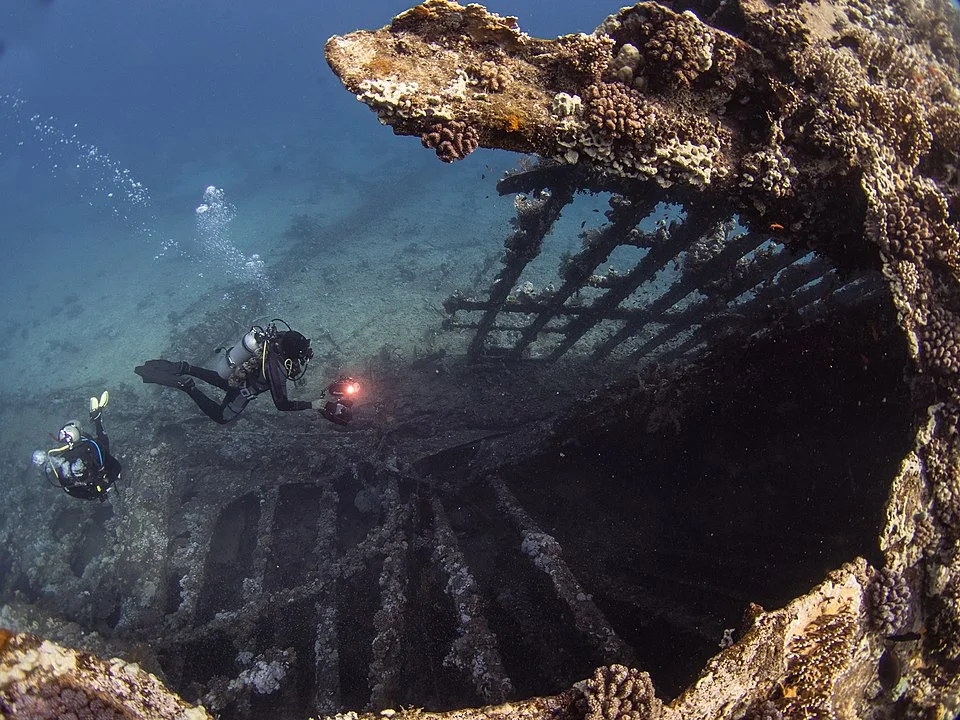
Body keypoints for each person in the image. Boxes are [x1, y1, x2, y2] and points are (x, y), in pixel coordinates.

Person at [134, 319, 355, 425]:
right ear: (292, 351)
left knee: (223, 381)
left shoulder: (274, 342)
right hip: (244, 389)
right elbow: (281, 404)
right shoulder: (276, 368)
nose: (306, 354)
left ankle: (185, 367)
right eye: (303, 351)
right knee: (222, 417)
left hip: (238, 375)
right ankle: (187, 385)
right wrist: (312, 405)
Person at [33, 391, 122, 502]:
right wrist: (96, 491)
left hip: (98, 471)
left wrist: (104, 483)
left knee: (102, 443)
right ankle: (96, 418)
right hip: (94, 480)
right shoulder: (65, 461)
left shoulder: (91, 449)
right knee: (100, 442)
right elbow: (69, 489)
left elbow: (116, 467)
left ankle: (97, 419)